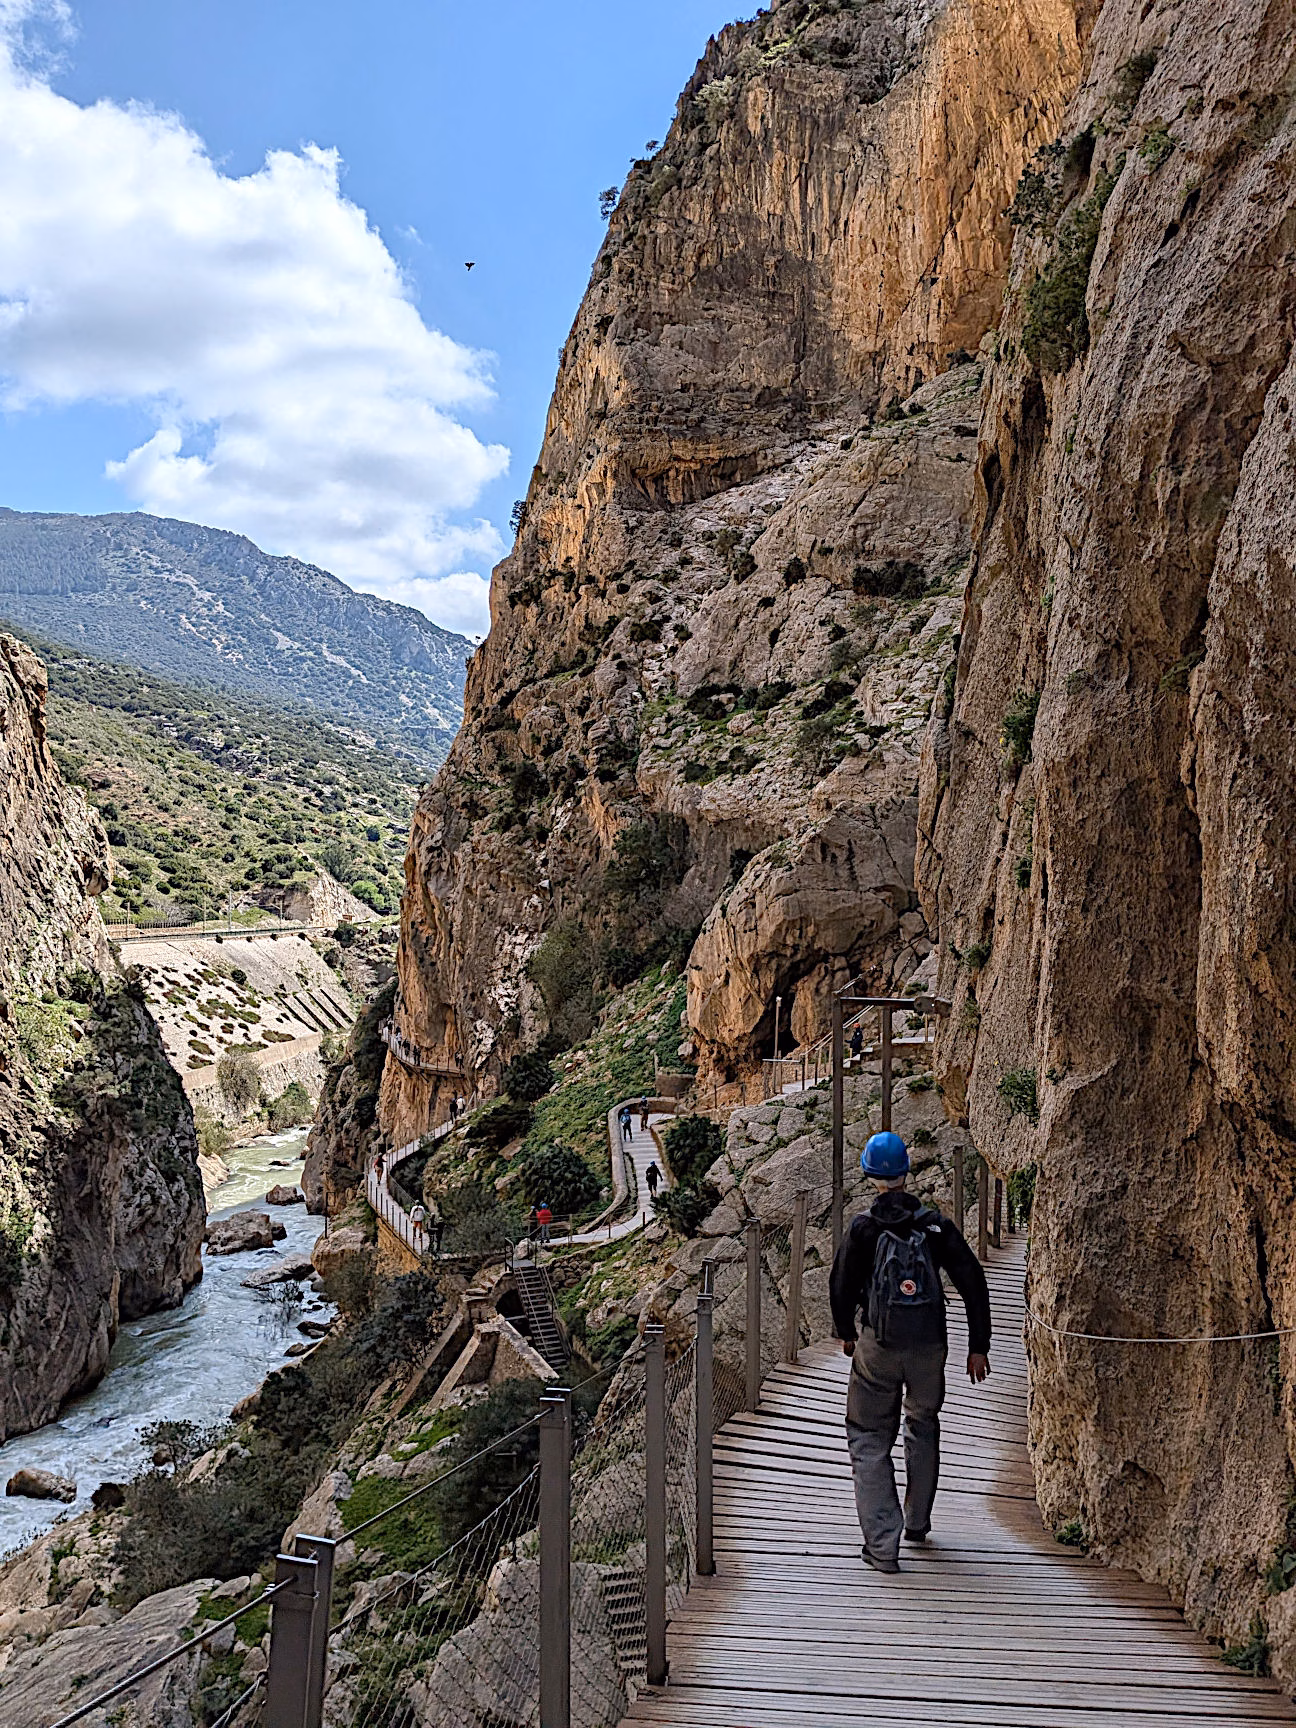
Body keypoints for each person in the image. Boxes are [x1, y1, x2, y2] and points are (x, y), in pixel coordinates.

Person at [829, 1131, 990, 1574]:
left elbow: (841, 1285)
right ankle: (918, 1521)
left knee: (868, 1437)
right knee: (923, 1423)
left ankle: (884, 1546)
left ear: (869, 1173)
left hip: (878, 1346)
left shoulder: (863, 1228)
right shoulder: (934, 1225)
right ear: (906, 1171)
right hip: (929, 1347)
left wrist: (847, 1333)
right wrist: (979, 1347)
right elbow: (972, 1281)